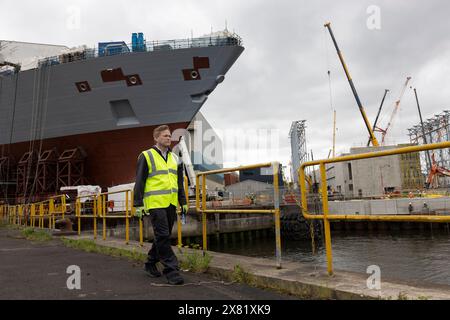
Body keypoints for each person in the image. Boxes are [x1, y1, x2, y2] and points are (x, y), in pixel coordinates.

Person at [133, 125, 188, 285]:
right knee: (163, 235)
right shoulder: (146, 156)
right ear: (156, 138)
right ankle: (171, 270)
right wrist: (138, 204)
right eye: (165, 136)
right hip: (155, 203)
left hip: (170, 203)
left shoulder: (175, 158)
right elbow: (140, 181)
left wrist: (183, 201)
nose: (168, 138)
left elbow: (179, 182)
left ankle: (150, 263)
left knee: (162, 237)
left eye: (169, 136)